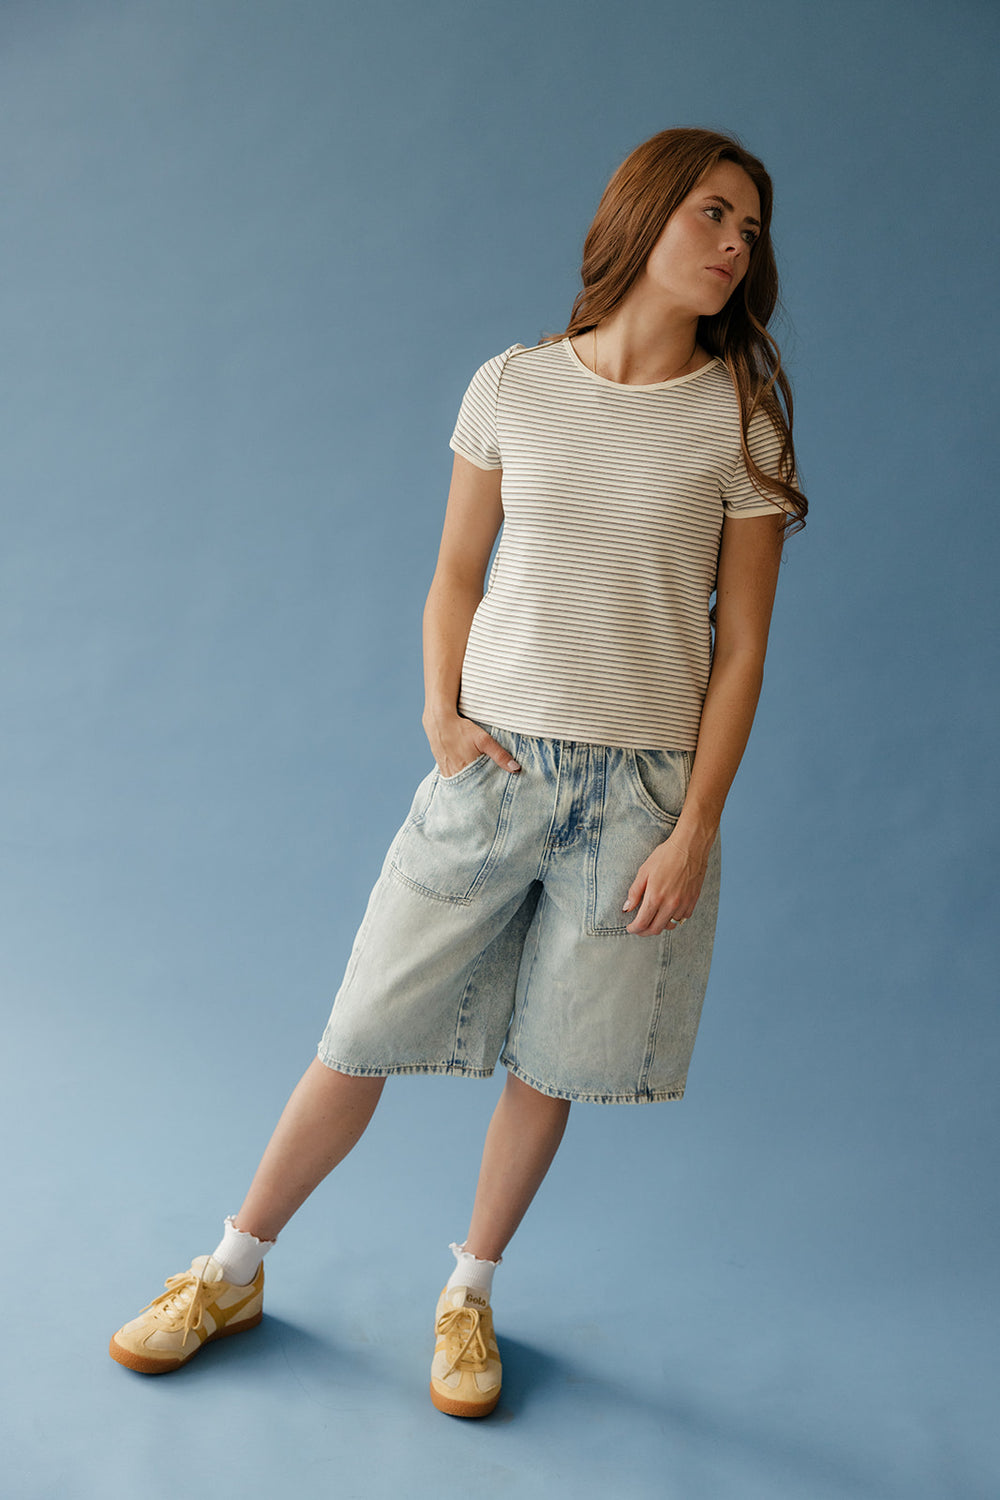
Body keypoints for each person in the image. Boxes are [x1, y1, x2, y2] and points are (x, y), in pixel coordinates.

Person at [109, 126, 808, 1418]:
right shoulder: (513, 386)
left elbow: (746, 646)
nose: (733, 245)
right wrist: (438, 713)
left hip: (639, 798)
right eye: (713, 214)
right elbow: (454, 573)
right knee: (361, 1032)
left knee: (552, 1063)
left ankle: (470, 1293)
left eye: (750, 230)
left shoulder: (740, 417)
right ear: (643, 217)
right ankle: (233, 1265)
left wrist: (693, 827)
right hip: (493, 774)